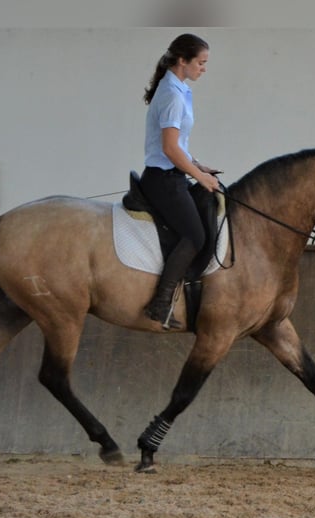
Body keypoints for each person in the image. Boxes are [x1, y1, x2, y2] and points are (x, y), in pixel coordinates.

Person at [141, 33, 221, 329]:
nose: (204, 68)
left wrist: (198, 165)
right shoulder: (172, 95)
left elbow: (180, 145)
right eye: (200, 62)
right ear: (182, 61)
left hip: (172, 174)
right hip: (163, 179)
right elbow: (169, 148)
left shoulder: (180, 90)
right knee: (196, 236)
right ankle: (160, 302)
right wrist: (198, 177)